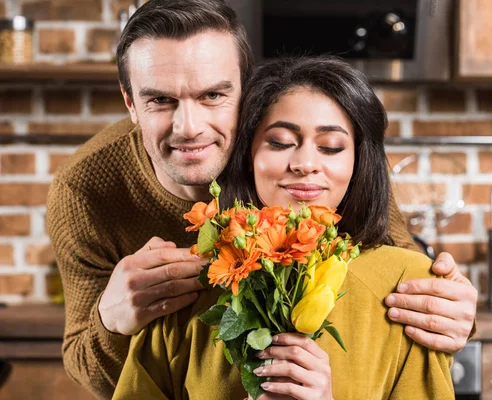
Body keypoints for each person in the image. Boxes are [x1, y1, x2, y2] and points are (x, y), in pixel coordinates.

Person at [45, 1, 476, 398]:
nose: (189, 126)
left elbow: (390, 260)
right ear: (131, 103)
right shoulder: (84, 192)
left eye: (213, 95)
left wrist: (454, 311)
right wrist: (113, 321)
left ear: (247, 92)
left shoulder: (311, 168)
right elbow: (91, 368)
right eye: (160, 100)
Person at [113, 55, 455, 400]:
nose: (305, 164)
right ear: (248, 155)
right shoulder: (182, 285)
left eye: (331, 147)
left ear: (358, 161)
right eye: (279, 142)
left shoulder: (412, 287)